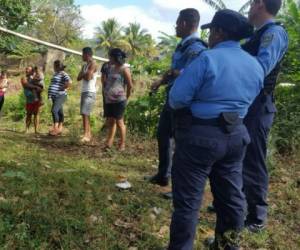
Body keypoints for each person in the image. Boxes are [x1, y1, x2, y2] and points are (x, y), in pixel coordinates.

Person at [168, 9, 264, 250]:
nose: (209, 36)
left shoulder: (207, 59)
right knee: (231, 198)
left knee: (189, 202)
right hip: (236, 136)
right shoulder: (255, 65)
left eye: (212, 30)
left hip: (200, 136)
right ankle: (227, 245)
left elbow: (177, 99)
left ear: (220, 32)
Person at [145, 8, 207, 190]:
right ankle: (163, 175)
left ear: (185, 24)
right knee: (163, 135)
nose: (175, 26)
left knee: (182, 144)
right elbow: (176, 71)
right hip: (173, 99)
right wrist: (160, 81)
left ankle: (181, 187)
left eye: (177, 23)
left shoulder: (196, 47)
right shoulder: (183, 46)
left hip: (184, 104)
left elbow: (194, 73)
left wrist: (174, 73)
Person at [242, 0, 288, 232]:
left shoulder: (274, 33)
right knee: (241, 155)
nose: (249, 7)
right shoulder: (257, 34)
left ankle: (256, 217)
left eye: (251, 3)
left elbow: (260, 69)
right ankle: (240, 204)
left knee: (253, 159)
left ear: (260, 4)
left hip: (259, 106)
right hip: (248, 105)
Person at [103, 48, 132, 151]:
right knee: (111, 121)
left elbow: (130, 86)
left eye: (110, 56)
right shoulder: (110, 68)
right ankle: (109, 143)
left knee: (120, 122)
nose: (109, 58)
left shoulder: (125, 69)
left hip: (120, 100)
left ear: (115, 57)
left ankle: (122, 144)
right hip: (109, 99)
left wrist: (126, 98)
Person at [77, 47, 98, 142]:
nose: (82, 56)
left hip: (90, 91)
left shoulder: (93, 63)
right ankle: (88, 134)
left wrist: (84, 75)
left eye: (82, 54)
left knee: (85, 113)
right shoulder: (85, 66)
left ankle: (86, 135)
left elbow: (88, 78)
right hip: (84, 91)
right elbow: (78, 77)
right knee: (84, 113)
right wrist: (85, 74)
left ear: (87, 54)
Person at [48, 60, 72, 136]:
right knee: (59, 112)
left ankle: (55, 128)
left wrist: (62, 88)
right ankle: (60, 128)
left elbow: (69, 82)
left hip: (60, 95)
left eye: (54, 65)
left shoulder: (63, 73)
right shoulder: (56, 74)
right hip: (54, 96)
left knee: (54, 110)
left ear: (58, 66)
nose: (53, 67)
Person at [21, 66, 43, 134]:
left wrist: (38, 88)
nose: (27, 71)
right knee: (29, 114)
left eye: (30, 70)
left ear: (32, 71)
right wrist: (36, 87)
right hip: (29, 99)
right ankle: (27, 129)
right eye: (27, 69)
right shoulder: (24, 78)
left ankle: (36, 130)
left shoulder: (34, 77)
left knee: (36, 114)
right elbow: (26, 85)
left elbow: (41, 88)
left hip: (37, 99)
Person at [100, 61, 110, 131]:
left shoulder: (106, 65)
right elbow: (103, 79)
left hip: (108, 90)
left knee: (107, 108)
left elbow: (103, 79)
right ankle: (107, 125)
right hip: (112, 91)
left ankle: (107, 125)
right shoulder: (106, 65)